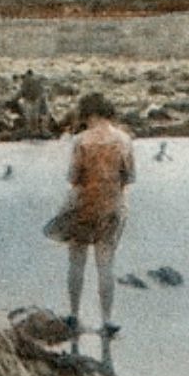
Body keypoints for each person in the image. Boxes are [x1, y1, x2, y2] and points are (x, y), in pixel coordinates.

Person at [43, 92, 135, 340]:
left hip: (84, 206)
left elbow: (74, 178)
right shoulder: (124, 140)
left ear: (88, 114)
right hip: (112, 207)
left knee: (77, 262)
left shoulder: (81, 141)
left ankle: (74, 315)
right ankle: (107, 320)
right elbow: (130, 177)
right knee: (106, 266)